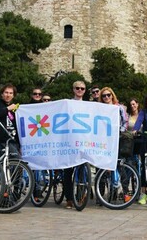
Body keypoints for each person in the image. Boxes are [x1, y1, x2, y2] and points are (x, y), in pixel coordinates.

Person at [62, 80, 87, 209]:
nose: (79, 90)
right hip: (69, 142)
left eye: (82, 88)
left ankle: (80, 196)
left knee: (82, 171)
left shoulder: (88, 106)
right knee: (68, 172)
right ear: (73, 89)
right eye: (77, 88)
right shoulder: (68, 104)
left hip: (82, 142)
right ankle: (69, 198)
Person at [0, 84, 20, 157]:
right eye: (6, 92)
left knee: (12, 164)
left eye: (10, 93)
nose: (8, 95)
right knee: (17, 160)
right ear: (2, 94)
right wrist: (7, 109)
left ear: (13, 95)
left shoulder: (15, 108)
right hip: (0, 140)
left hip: (12, 140)